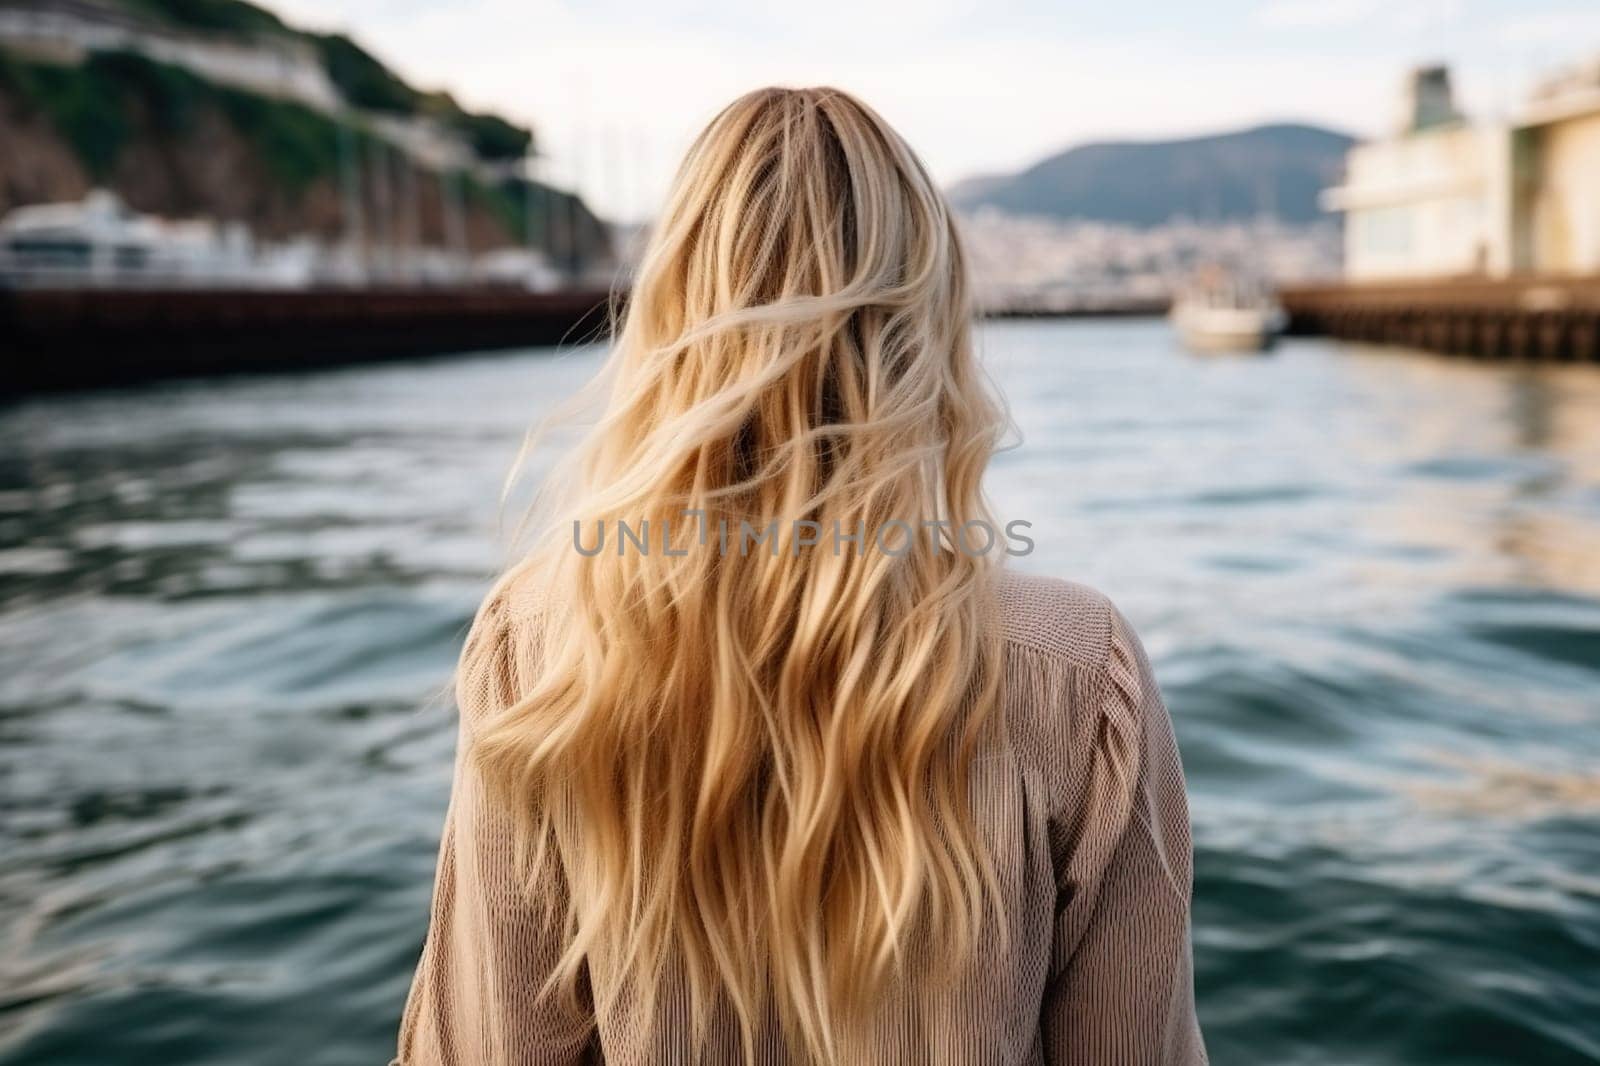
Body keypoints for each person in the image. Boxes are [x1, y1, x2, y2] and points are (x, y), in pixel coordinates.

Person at [392, 86, 1207, 1066]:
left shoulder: (538, 641)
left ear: (670, 317)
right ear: (927, 325)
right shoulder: (1079, 673)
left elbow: (482, 1050)